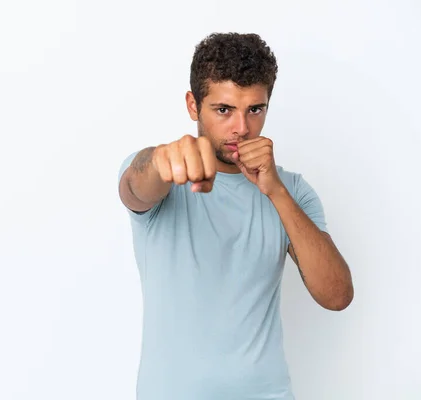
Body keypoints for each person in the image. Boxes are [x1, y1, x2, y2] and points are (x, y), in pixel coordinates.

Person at [116, 32, 354, 400]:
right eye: (224, 110)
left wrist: (275, 191)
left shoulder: (293, 190)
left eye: (255, 110)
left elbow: (337, 295)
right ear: (193, 106)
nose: (241, 128)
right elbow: (134, 187)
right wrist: (160, 160)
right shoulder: (167, 172)